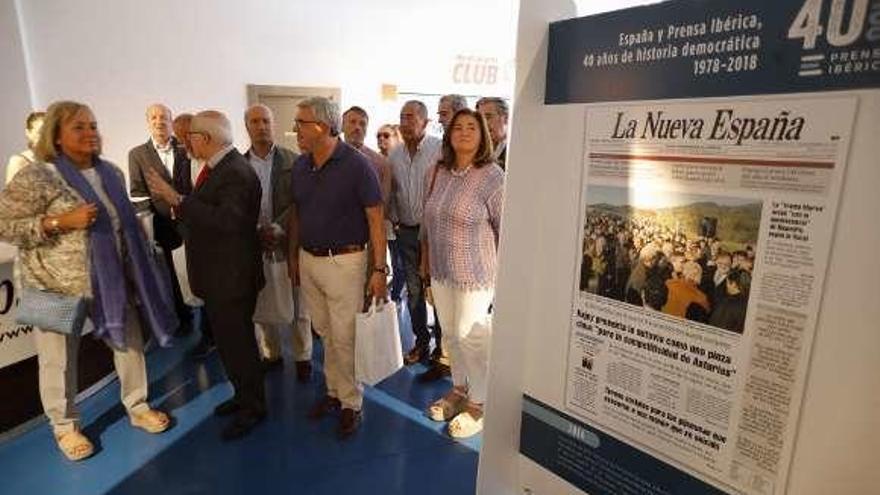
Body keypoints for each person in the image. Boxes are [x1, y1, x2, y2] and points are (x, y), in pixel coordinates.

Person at [0, 101, 175, 461]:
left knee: (129, 342)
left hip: (112, 277)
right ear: (57, 137)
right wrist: (58, 223)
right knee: (57, 359)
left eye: (93, 125)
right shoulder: (37, 175)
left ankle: (138, 405)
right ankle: (65, 428)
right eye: (79, 127)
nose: (90, 133)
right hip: (52, 282)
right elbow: (5, 225)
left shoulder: (112, 172)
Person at [145, 110, 267, 441]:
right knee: (230, 346)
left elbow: (228, 222)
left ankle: (254, 407)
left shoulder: (235, 173)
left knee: (239, 346)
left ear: (208, 139)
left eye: (192, 137)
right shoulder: (220, 169)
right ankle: (244, 396)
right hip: (220, 277)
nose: (186, 142)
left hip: (231, 278)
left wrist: (177, 199)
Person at [287, 96, 387, 438]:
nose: (295, 129)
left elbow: (376, 219)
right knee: (325, 331)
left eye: (301, 123)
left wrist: (379, 270)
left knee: (345, 336)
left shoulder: (357, 165)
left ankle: (351, 403)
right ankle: (333, 392)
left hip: (345, 261)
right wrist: (292, 259)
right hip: (308, 258)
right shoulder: (301, 166)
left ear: (323, 127)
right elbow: (297, 214)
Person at [421, 108, 504, 438]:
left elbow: (505, 229)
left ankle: (480, 401)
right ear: (449, 134)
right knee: (450, 336)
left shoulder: (493, 176)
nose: (465, 132)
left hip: (476, 273)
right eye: (458, 127)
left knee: (471, 336)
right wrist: (424, 263)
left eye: (472, 127)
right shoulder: (436, 171)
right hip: (441, 270)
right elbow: (428, 221)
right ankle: (458, 388)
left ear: (483, 134)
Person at [243, 104, 313, 382]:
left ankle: (303, 356)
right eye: (255, 121)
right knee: (262, 302)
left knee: (299, 306)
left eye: (266, 121)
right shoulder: (239, 163)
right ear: (246, 126)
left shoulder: (293, 160)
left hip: (288, 242)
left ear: (273, 124)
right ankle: (271, 353)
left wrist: (277, 227)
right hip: (254, 244)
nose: (261, 126)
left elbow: (300, 201)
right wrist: (255, 231)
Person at [128, 104, 193, 333]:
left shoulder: (186, 148)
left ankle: (208, 324)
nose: (159, 121)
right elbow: (137, 193)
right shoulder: (137, 154)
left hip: (192, 222)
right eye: (154, 117)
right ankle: (183, 319)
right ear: (148, 122)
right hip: (162, 226)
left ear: (171, 120)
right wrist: (148, 230)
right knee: (172, 276)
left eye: (164, 117)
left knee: (198, 271)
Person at [389, 100, 442, 365]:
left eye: (411, 117)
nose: (405, 122)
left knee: (439, 293)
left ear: (425, 121)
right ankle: (421, 343)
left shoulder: (439, 150)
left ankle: (442, 350)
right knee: (413, 292)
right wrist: (396, 222)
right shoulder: (394, 154)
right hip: (407, 234)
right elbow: (392, 192)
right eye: (402, 117)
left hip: (435, 236)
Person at [170, 112, 216, 358]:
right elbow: (180, 191)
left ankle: (217, 336)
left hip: (217, 238)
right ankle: (208, 336)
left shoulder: (219, 162)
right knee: (200, 289)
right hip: (192, 235)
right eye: (178, 140)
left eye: (187, 137)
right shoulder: (182, 158)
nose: (184, 144)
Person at [5, 111, 45, 185]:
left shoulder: (58, 159)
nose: (45, 138)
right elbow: (11, 195)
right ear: (28, 133)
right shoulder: (18, 161)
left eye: (48, 133)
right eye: (40, 132)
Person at [709, 267, 750, 333]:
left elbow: (715, 324)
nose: (726, 286)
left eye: (727, 282)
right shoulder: (748, 303)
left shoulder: (726, 303)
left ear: (733, 284)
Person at [476, 97, 509, 170]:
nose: (483, 123)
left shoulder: (516, 148)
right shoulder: (476, 150)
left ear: (506, 118)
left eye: (488, 117)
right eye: (480, 119)